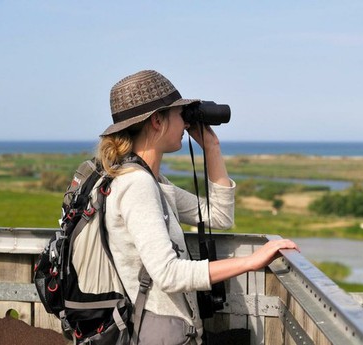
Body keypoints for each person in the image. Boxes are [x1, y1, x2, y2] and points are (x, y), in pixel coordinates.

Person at [97, 70, 298, 345]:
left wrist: (212, 146)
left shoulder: (153, 182)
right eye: (180, 114)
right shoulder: (137, 185)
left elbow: (219, 215)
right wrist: (250, 262)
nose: (185, 123)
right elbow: (167, 274)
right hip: (162, 335)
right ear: (157, 120)